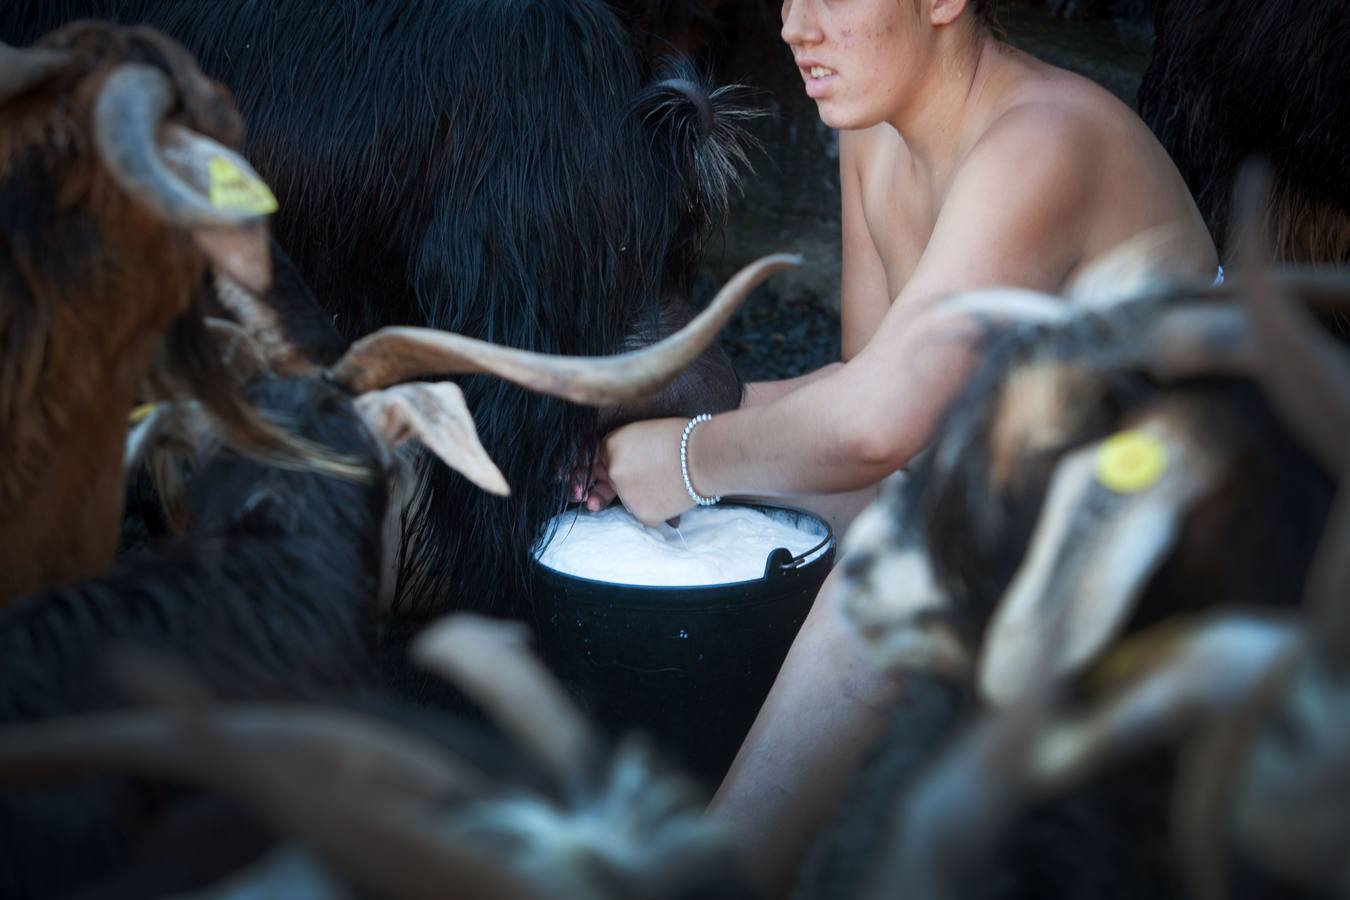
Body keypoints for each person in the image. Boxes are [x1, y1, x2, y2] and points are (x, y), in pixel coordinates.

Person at [574, 0, 1217, 892]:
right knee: (811, 485)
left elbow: (876, 427)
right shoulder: (876, 129)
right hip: (1034, 489)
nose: (796, 28)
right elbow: (867, 381)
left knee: (909, 541)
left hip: (1204, 535)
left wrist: (687, 457)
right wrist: (633, 433)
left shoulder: (1043, 139)